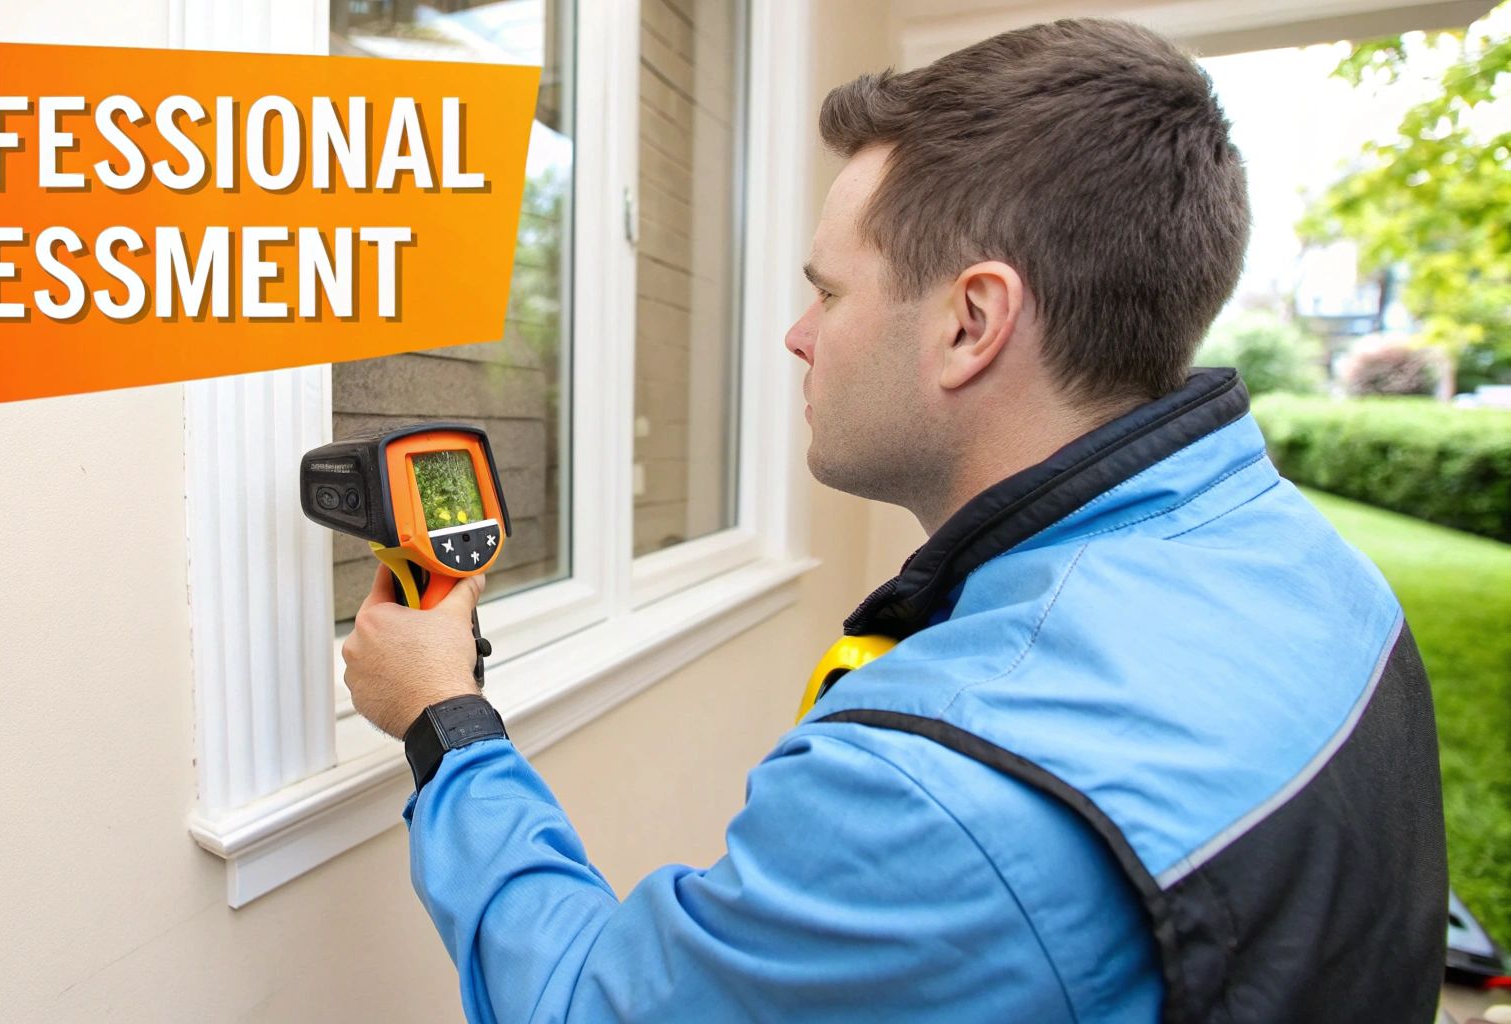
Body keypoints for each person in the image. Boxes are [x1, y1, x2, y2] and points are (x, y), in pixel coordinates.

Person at [342, 18, 1447, 1023]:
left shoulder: (939, 793)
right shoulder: (1312, 568)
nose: (793, 334)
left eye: (827, 292)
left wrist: (445, 721)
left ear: (971, 322)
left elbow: (591, 1007)